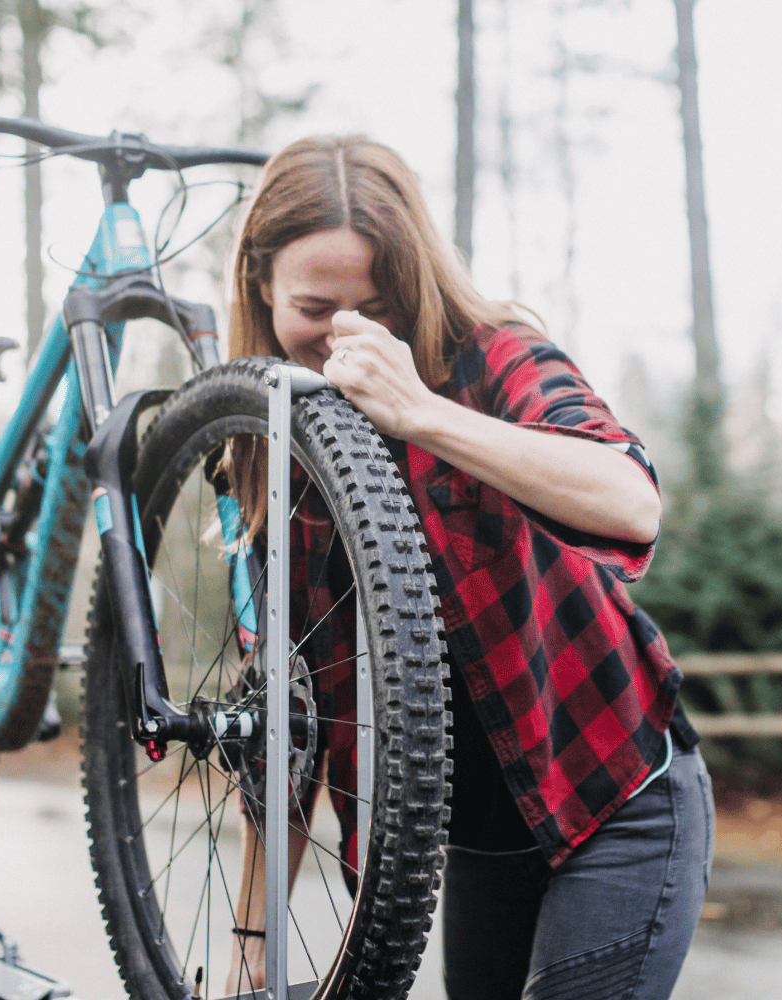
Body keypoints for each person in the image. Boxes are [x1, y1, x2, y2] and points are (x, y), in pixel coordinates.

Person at [224, 135, 714, 1000]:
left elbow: (632, 498)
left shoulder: (490, 356)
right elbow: (286, 723)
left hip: (616, 800)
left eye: (374, 305)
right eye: (314, 305)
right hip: (486, 843)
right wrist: (252, 948)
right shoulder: (269, 451)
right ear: (261, 286)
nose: (345, 333)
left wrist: (421, 414)